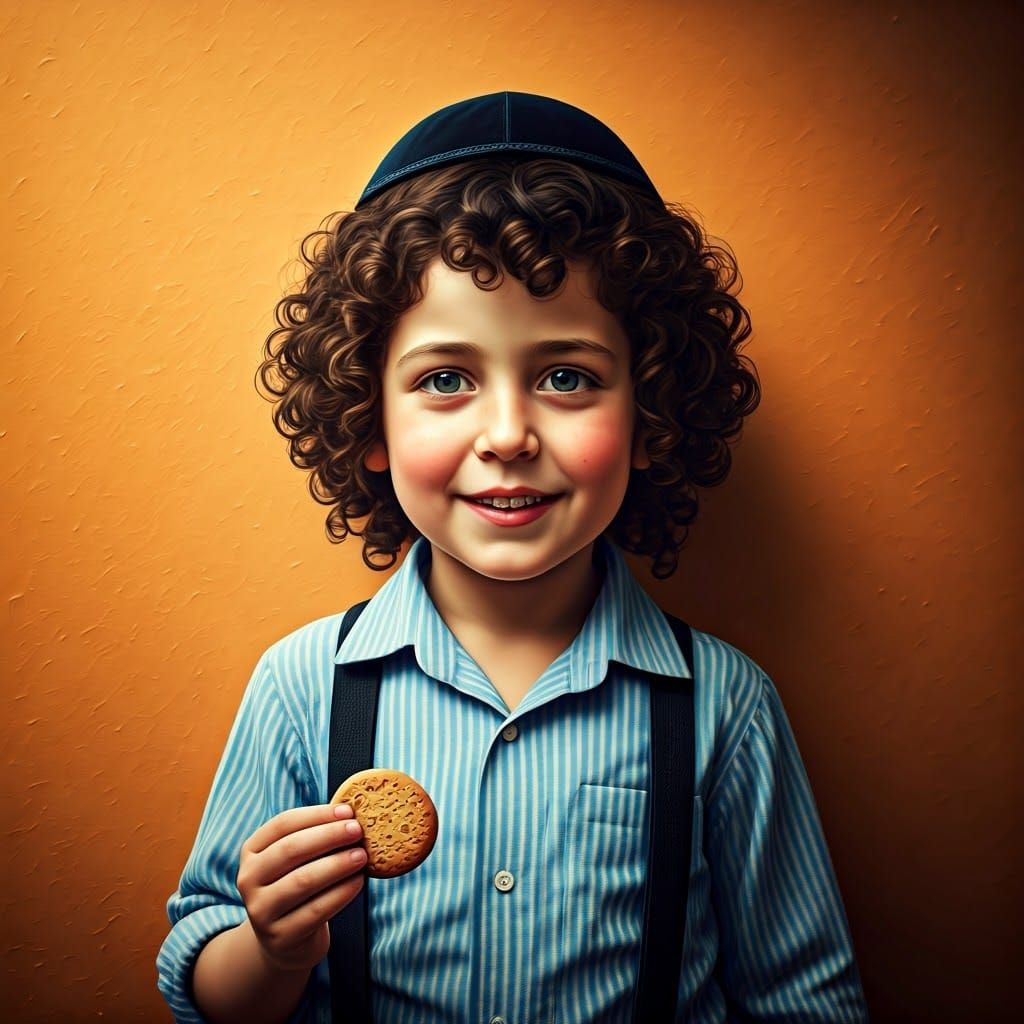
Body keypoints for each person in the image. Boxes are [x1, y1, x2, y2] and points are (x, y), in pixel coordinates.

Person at [157, 91, 870, 1023]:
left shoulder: (725, 705)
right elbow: (203, 988)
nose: (507, 435)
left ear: (650, 412)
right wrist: (271, 946)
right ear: (369, 416)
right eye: (446, 379)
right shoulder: (303, 686)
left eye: (565, 377)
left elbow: (807, 1001)